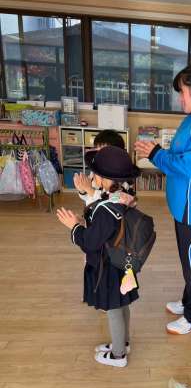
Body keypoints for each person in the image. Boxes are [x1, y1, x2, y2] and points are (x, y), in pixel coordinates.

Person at [135, 63, 191, 335]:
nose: (180, 99)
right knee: (190, 261)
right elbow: (182, 154)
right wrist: (158, 153)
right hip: (186, 206)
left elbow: (189, 166)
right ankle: (189, 301)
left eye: (183, 92)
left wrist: (155, 154)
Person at [56, 146, 141, 367]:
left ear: (104, 179)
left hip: (109, 267)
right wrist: (85, 219)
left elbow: (90, 242)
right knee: (122, 304)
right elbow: (106, 229)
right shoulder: (124, 196)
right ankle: (123, 343)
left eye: (95, 174)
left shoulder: (105, 209)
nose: (92, 177)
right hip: (123, 262)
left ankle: (118, 356)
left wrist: (74, 226)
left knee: (113, 309)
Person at [74, 129, 127, 207]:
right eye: (97, 151)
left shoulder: (121, 178)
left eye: (103, 152)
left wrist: (89, 189)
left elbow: (114, 203)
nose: (98, 156)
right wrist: (83, 191)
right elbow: (88, 198)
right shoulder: (95, 171)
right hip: (93, 212)